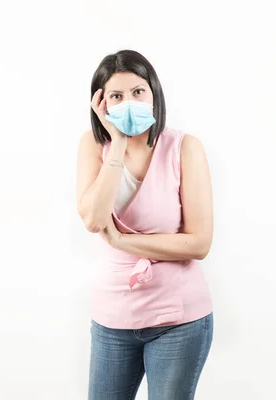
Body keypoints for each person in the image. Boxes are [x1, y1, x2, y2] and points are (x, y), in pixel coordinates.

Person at [76, 49, 214, 400]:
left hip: (178, 320)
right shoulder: (95, 146)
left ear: (154, 93)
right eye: (116, 96)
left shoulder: (184, 148)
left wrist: (121, 241)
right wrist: (118, 144)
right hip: (113, 317)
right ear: (101, 103)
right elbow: (93, 219)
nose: (129, 101)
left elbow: (199, 243)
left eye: (138, 92)